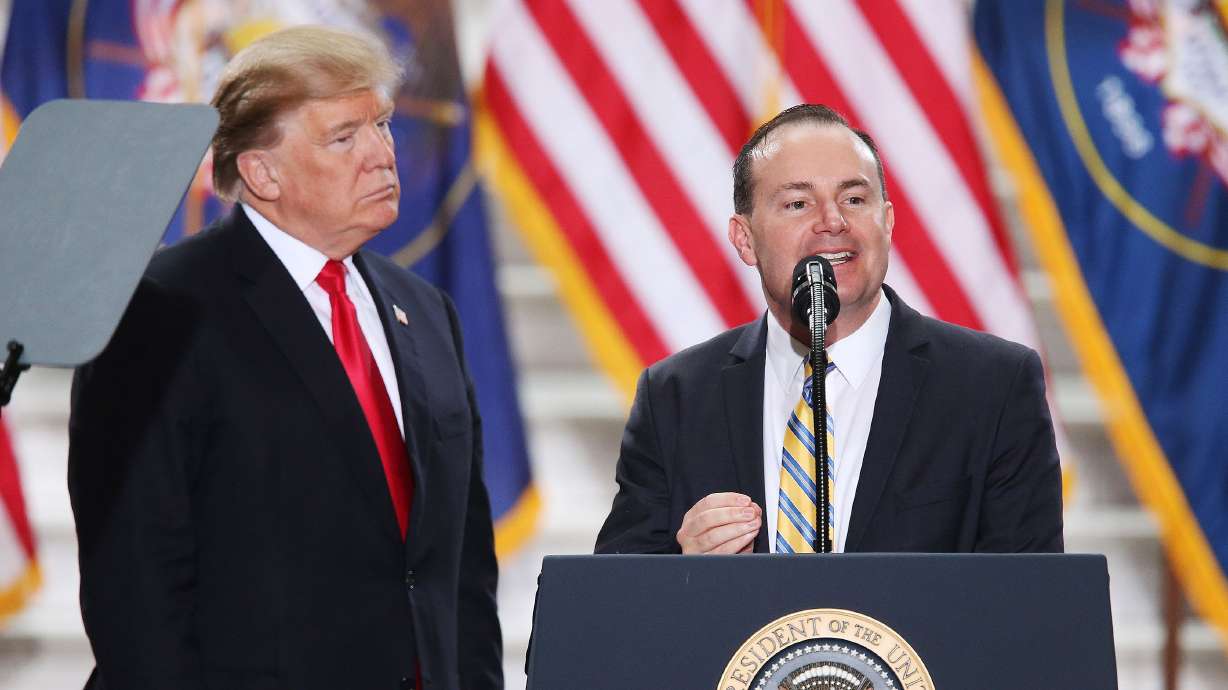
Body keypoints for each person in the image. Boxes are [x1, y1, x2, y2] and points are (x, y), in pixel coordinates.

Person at [67, 26, 501, 690]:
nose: (382, 154)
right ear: (262, 172)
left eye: (382, 124)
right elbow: (135, 585)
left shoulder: (426, 310)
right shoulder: (160, 312)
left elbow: (462, 564)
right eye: (344, 137)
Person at [595, 104, 1062, 556]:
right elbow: (612, 597)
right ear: (745, 239)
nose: (833, 222)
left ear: (887, 222)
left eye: (854, 199)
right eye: (798, 203)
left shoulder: (993, 387)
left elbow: (1029, 596)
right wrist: (684, 573)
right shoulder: (675, 398)